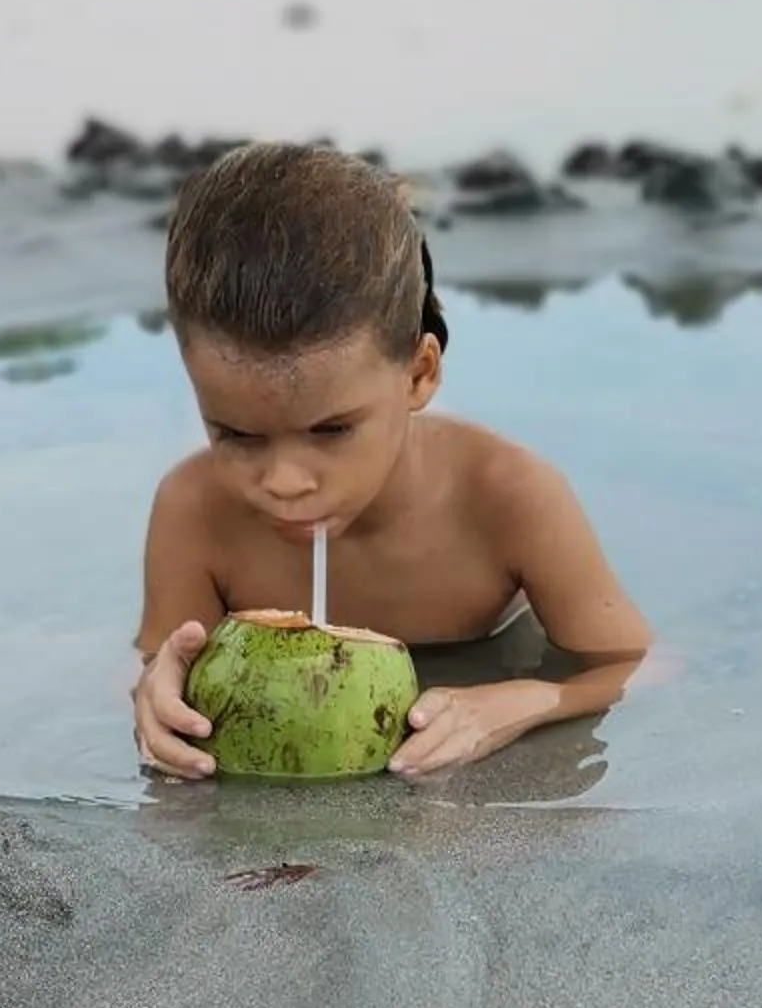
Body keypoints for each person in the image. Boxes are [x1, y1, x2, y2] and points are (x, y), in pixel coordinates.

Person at [131, 143, 653, 778]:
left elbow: (635, 664)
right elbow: (157, 664)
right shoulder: (194, 510)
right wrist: (155, 698)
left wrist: (526, 700)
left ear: (419, 373)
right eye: (236, 435)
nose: (285, 482)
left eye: (333, 430)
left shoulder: (509, 495)